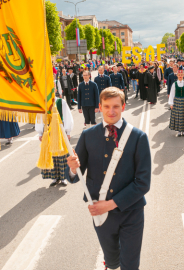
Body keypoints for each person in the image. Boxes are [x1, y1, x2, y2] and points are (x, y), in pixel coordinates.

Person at [67, 87, 151, 270]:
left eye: (115, 106)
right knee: (112, 260)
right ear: (100, 107)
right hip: (100, 211)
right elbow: (75, 176)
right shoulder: (88, 135)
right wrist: (73, 169)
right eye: (106, 106)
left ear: (123, 106)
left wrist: (112, 203)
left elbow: (143, 182)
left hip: (132, 212)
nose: (111, 111)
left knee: (130, 263)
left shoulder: (138, 137)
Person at [36, 92, 74, 186]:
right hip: (48, 133)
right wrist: (40, 132)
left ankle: (63, 177)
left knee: (62, 155)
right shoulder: (42, 103)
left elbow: (67, 117)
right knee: (51, 155)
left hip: (60, 133)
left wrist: (68, 132)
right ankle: (54, 177)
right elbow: (40, 117)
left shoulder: (61, 102)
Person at [168, 68, 184, 137]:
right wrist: (171, 103)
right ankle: (179, 131)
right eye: (179, 75)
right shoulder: (174, 84)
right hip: (177, 102)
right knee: (178, 116)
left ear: (183, 75)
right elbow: (172, 94)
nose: (180, 76)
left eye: (181, 75)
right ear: (177, 75)